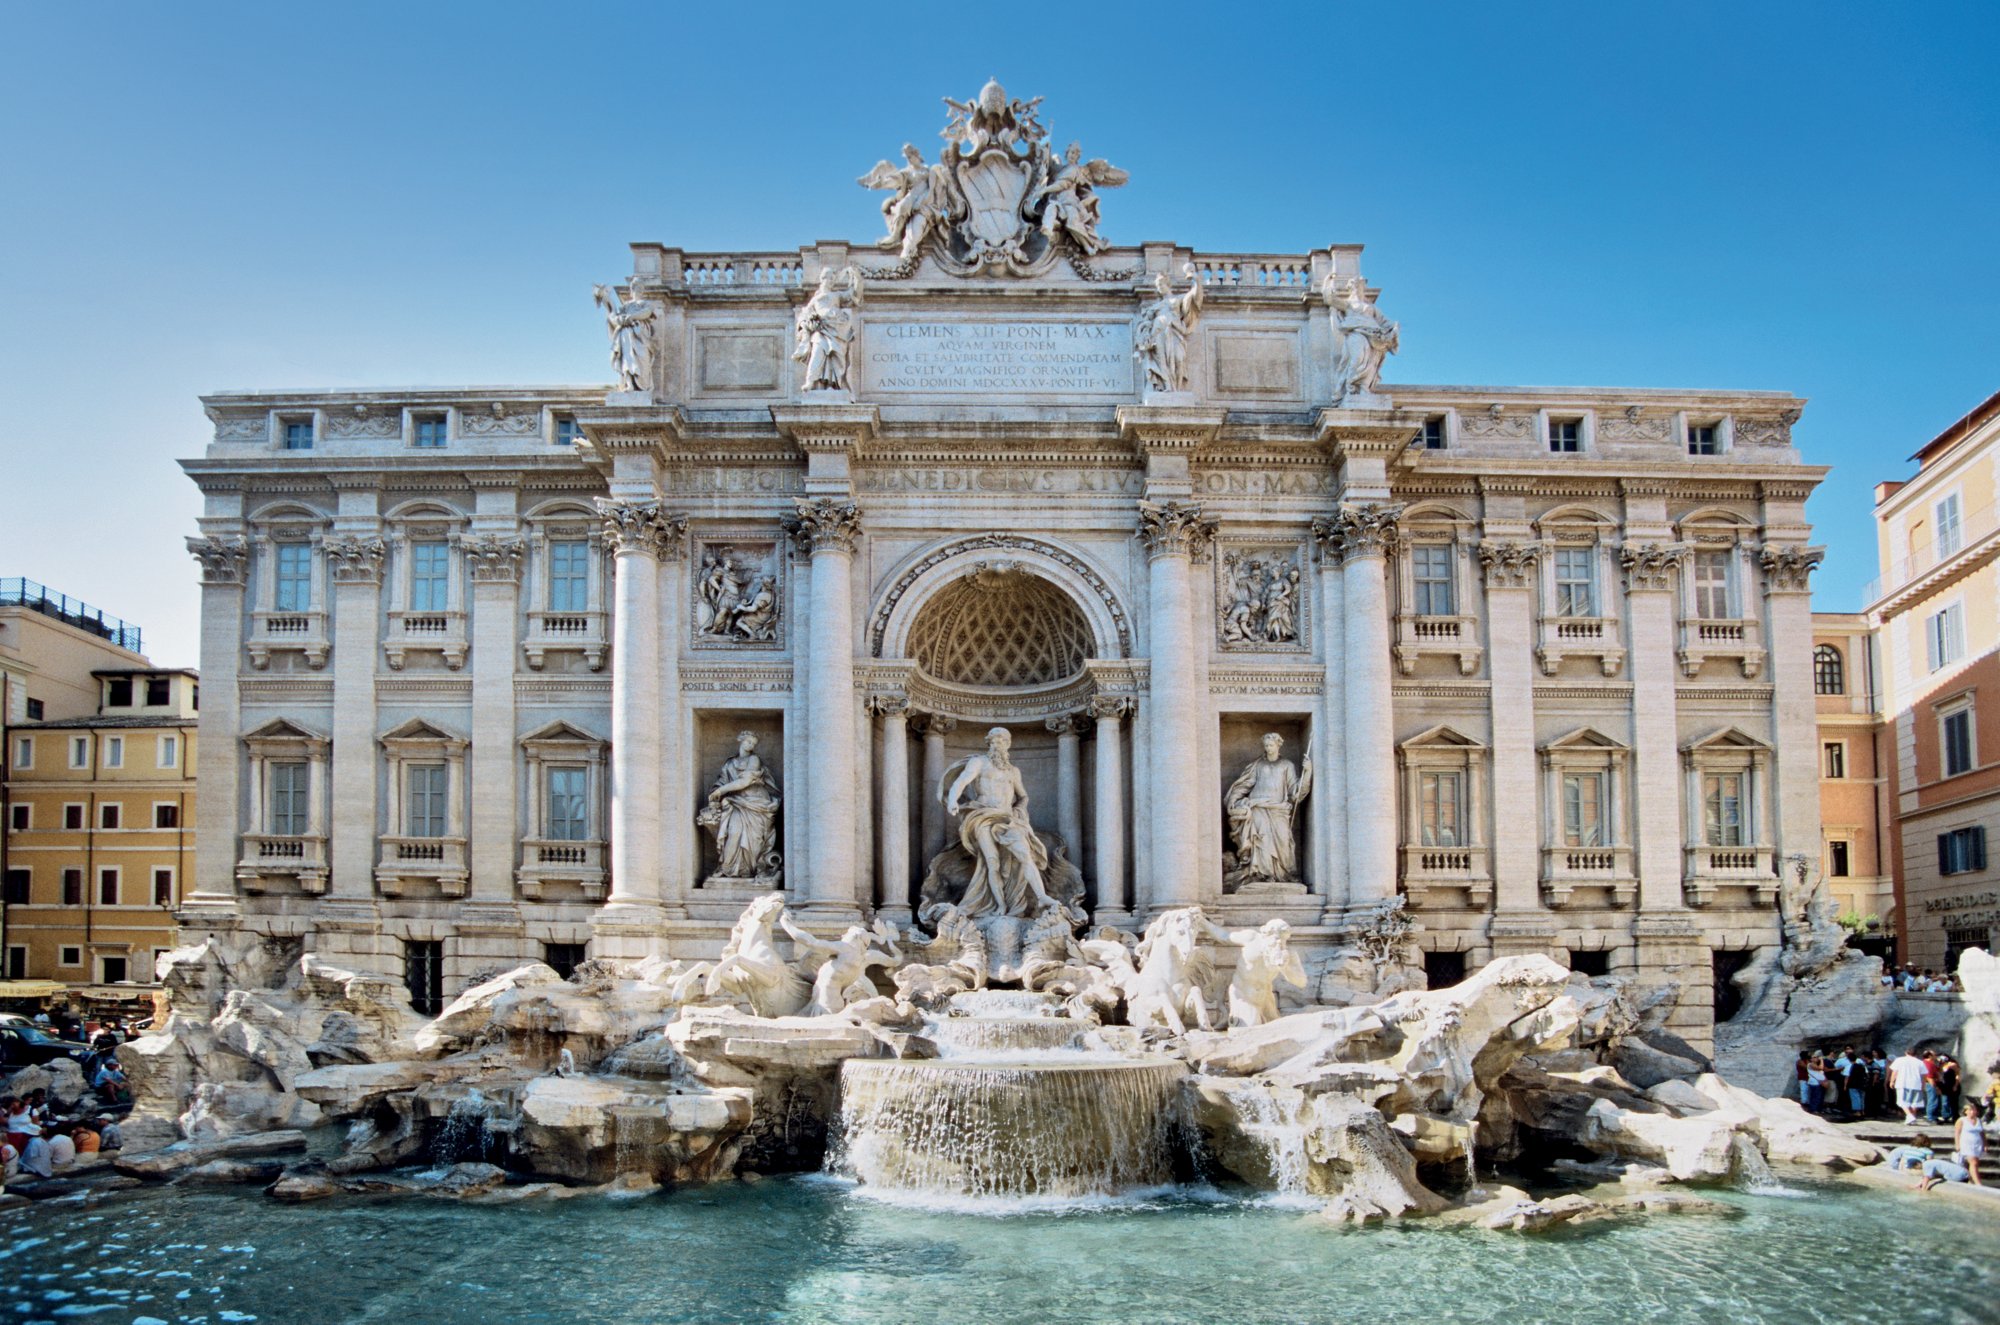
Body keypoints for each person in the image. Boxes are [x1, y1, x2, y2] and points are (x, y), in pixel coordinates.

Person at [1888, 1047, 1929, 1124]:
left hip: (1902, 1083)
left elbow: (1894, 1072)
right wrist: (1923, 1084)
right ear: (1915, 1054)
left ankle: (1910, 1115)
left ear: (1906, 1053)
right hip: (1916, 1083)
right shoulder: (1920, 1062)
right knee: (1915, 1102)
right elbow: (1924, 1075)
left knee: (1902, 1101)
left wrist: (1891, 1081)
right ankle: (1912, 1118)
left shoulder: (1899, 1060)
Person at [1956, 1101, 1987, 1186]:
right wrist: (1957, 1144)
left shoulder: (1978, 1120)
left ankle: (1970, 1180)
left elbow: (1982, 1133)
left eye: (1974, 1110)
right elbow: (1957, 1133)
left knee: (1975, 1162)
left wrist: (1985, 1144)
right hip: (1966, 1143)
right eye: (1970, 1110)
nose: (1972, 1112)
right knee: (1973, 1162)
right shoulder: (1961, 1120)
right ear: (1965, 1111)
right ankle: (1978, 1183)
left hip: (1977, 1144)